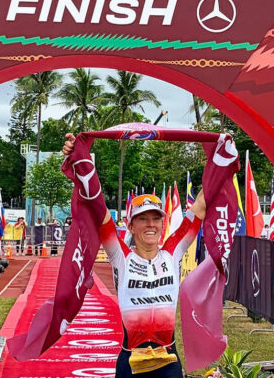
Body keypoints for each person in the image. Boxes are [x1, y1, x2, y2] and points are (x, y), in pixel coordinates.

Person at [63, 133, 206, 377]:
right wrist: (80, 158)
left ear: (163, 223)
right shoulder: (120, 254)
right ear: (130, 225)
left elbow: (202, 204)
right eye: (143, 218)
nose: (151, 224)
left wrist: (222, 161)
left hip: (167, 361)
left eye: (156, 218)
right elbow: (96, 204)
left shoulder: (173, 251)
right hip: (130, 359)